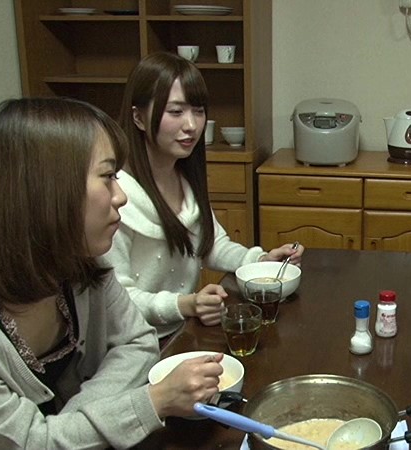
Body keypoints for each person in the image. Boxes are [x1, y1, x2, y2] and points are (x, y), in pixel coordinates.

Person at [0, 97, 226, 448]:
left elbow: (138, 342)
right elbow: (32, 443)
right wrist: (150, 402)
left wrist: (73, 425)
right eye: (108, 177)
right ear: (47, 191)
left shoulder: (85, 267)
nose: (121, 196)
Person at [102, 52, 303, 340]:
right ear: (138, 118)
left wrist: (260, 260)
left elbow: (210, 245)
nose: (192, 125)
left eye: (198, 111)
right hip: (135, 343)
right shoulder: (115, 196)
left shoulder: (183, 176)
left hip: (182, 331)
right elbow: (115, 299)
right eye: (176, 112)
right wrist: (184, 304)